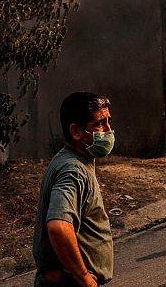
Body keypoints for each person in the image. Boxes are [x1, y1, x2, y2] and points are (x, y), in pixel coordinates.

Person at [33, 92, 116, 286]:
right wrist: (84, 278)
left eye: (109, 122)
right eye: (99, 124)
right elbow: (58, 227)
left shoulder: (71, 160)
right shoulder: (74, 171)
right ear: (76, 131)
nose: (109, 131)